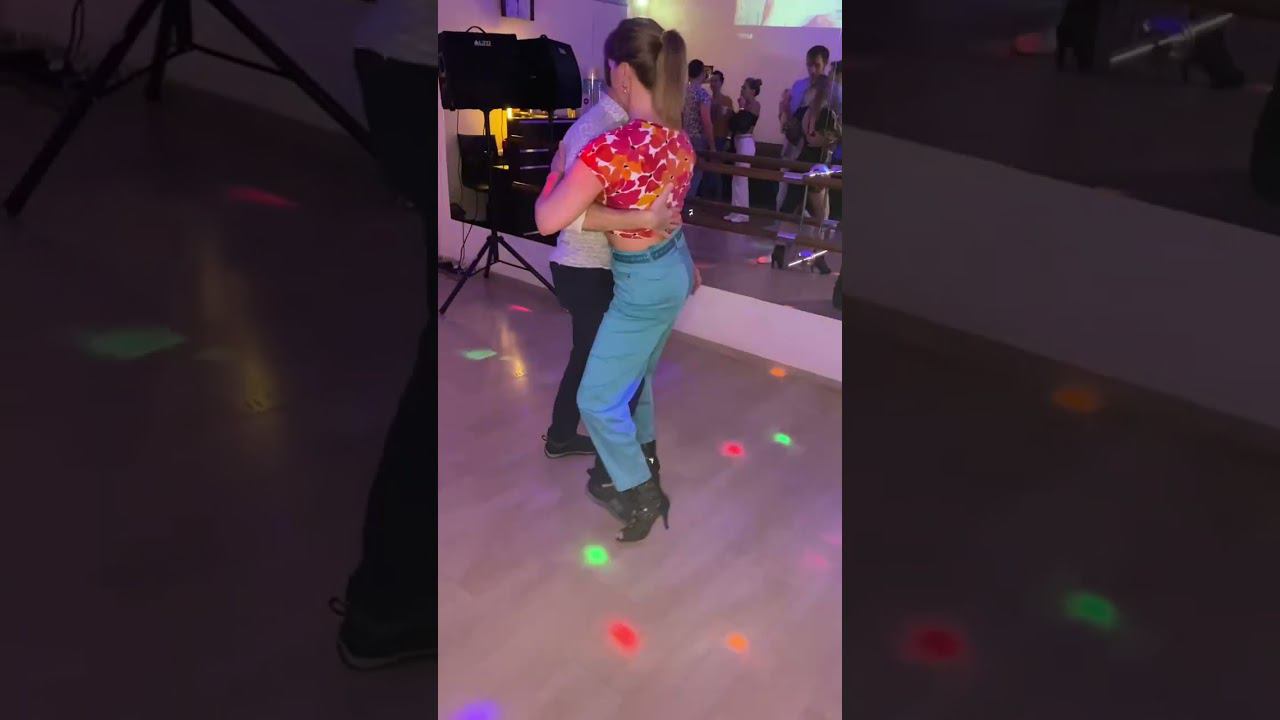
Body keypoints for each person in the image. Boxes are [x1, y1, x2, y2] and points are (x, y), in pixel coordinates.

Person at [535, 19, 699, 543]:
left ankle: (640, 491)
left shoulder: (611, 146)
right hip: (672, 269)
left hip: (642, 284)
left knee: (596, 399)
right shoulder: (679, 141)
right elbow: (665, 216)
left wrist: (554, 175)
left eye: (611, 71)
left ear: (624, 73)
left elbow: (547, 220)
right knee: (639, 374)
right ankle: (645, 454)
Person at [332, 0, 437, 671]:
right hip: (430, 75)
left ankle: (392, 598)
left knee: (451, 334)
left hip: (400, 63)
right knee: (449, 353)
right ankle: (387, 607)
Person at [774, 74, 838, 274]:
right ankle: (818, 257)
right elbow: (823, 141)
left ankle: (779, 250)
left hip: (801, 162)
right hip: (817, 166)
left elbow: (793, 135)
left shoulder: (804, 111)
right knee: (822, 215)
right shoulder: (826, 114)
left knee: (791, 209)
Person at [776, 45, 829, 212]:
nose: (812, 70)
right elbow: (789, 118)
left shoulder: (830, 89)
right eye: (809, 65)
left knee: (814, 198)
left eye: (817, 65)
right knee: (785, 188)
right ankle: (781, 223)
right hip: (793, 144)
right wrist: (785, 109)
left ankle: (796, 224)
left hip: (815, 149)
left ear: (825, 63)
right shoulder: (799, 86)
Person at [724, 77, 761, 223]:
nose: (742, 90)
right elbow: (733, 124)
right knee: (736, 178)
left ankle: (743, 213)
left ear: (752, 91)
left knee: (741, 179)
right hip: (739, 141)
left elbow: (742, 125)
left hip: (746, 142)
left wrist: (740, 109)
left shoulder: (755, 105)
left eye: (744, 87)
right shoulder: (746, 106)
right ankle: (735, 210)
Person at [682, 59, 715, 201]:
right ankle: (689, 208)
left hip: (683, 137)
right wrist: (712, 145)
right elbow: (706, 121)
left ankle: (681, 206)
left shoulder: (683, 92)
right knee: (695, 176)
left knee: (684, 175)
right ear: (702, 73)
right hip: (697, 138)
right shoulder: (702, 94)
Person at [708, 70, 736, 200]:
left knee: (717, 170)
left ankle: (717, 200)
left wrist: (728, 139)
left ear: (721, 83)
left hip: (721, 138)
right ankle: (706, 199)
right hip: (708, 137)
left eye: (716, 81)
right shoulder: (707, 100)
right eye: (711, 81)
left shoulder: (727, 101)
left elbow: (731, 122)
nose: (713, 84)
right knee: (708, 170)